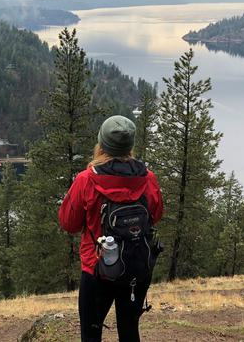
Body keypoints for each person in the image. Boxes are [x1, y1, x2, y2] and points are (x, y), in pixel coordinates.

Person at [59, 115, 164, 342]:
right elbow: (156, 215)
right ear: (130, 146)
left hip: (97, 269)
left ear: (101, 144)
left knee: (91, 333)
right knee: (129, 330)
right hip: (136, 268)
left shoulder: (86, 180)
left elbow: (69, 223)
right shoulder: (148, 179)